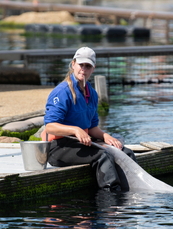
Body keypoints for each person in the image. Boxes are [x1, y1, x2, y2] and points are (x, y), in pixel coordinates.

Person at [41, 46, 136, 191]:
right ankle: (112, 198)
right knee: (104, 155)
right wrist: (75, 130)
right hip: (57, 148)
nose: (83, 69)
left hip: (80, 143)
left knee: (125, 152)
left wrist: (106, 136)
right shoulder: (61, 92)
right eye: (81, 65)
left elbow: (92, 127)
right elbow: (50, 126)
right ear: (73, 64)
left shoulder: (91, 94)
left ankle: (131, 191)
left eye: (88, 66)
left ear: (93, 68)